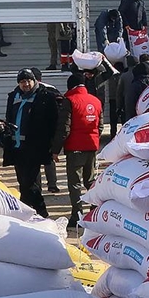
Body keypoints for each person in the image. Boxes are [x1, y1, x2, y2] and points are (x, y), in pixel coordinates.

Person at [3, 69, 60, 217]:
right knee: (23, 182)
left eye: (28, 81)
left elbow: (53, 122)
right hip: (17, 147)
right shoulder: (13, 96)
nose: (26, 84)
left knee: (30, 183)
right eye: (22, 82)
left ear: (34, 81)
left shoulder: (44, 96)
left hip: (34, 147)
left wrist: (53, 145)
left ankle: (40, 213)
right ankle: (29, 212)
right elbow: (10, 117)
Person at [51, 73, 103, 227]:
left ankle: (77, 215)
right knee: (90, 180)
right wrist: (93, 139)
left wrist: (56, 149)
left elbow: (64, 128)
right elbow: (100, 126)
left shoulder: (70, 101)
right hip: (92, 147)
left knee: (75, 183)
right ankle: (95, 210)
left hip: (75, 148)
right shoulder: (96, 101)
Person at [31, 68, 62, 193]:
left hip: (33, 130)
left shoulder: (28, 90)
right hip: (50, 130)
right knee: (49, 159)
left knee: (34, 160)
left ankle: (37, 185)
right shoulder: (52, 89)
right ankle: (52, 185)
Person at [116, 55, 139, 120]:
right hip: (140, 102)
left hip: (127, 103)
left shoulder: (124, 76)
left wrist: (118, 106)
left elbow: (119, 93)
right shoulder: (141, 74)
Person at [108, 61, 125, 137]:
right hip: (122, 99)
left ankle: (113, 136)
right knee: (124, 119)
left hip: (113, 99)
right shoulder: (123, 76)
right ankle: (124, 135)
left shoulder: (111, 76)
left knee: (113, 120)